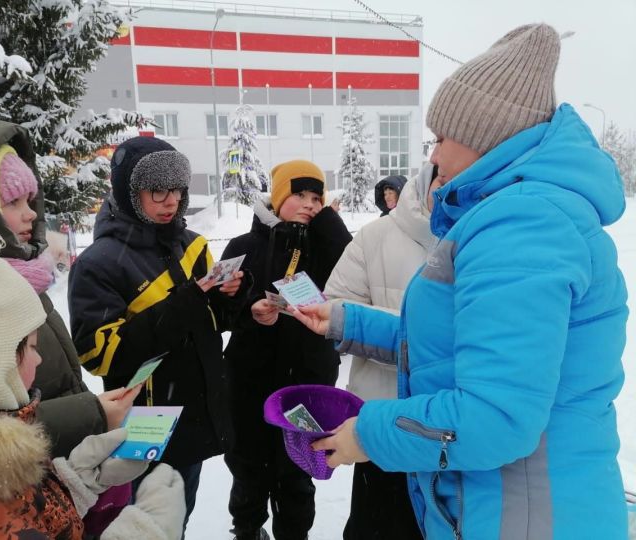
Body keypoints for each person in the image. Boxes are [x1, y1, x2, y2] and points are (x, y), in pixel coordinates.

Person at [293, 24, 629, 539]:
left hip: (522, 516)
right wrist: (345, 319)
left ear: (483, 138)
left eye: (441, 138)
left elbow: (494, 417)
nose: (433, 157)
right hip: (512, 505)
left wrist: (370, 433)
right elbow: (454, 345)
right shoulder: (520, 217)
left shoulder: (522, 226)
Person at [0, 227, 186, 539]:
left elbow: (27, 515)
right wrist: (147, 531)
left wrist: (75, 484)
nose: (39, 359)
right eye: (31, 346)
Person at [0, 119, 135, 458]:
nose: (31, 214)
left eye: (31, 199)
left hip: (53, 476)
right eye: (13, 202)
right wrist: (89, 416)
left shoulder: (19, 276)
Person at [68, 136, 249, 528]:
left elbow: (211, 323)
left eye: (179, 190)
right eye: (158, 191)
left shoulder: (193, 246)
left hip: (196, 418)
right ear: (130, 194)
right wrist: (185, 302)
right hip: (143, 425)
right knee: (141, 526)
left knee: (177, 518)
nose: (172, 201)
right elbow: (99, 354)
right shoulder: (99, 263)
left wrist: (232, 297)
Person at [221, 159, 352, 540]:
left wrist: (327, 222)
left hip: (308, 380)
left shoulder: (325, 247)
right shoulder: (243, 246)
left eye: (317, 197)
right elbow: (221, 306)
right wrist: (249, 311)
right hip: (250, 378)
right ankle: (247, 529)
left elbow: (350, 272)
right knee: (248, 465)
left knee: (297, 469)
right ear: (278, 197)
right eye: (299, 194)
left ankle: (295, 534)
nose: (310, 204)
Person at [324, 163, 439, 540]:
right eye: (440, 177)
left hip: (450, 427)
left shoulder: (480, 242)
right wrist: (415, 335)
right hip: (380, 420)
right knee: (377, 527)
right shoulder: (375, 237)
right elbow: (336, 307)